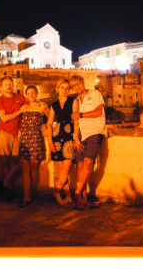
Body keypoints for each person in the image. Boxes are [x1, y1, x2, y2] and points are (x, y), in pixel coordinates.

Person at [71, 75, 105, 210]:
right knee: (80, 166)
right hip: (80, 133)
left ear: (83, 83)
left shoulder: (95, 94)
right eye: (74, 86)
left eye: (78, 84)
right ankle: (82, 199)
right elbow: (75, 120)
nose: (76, 87)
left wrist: (80, 115)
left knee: (88, 162)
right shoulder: (76, 100)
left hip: (95, 131)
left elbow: (98, 112)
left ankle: (77, 191)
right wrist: (76, 138)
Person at [46, 78, 80, 206]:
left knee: (66, 168)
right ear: (57, 89)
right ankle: (68, 197)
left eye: (67, 88)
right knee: (62, 169)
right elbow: (49, 124)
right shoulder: (53, 105)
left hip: (69, 135)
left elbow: (76, 120)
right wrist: (50, 140)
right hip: (57, 136)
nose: (65, 90)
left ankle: (56, 192)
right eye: (62, 88)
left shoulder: (73, 101)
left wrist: (76, 137)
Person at [16, 85, 49, 208]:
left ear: (37, 93)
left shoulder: (42, 106)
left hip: (35, 137)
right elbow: (19, 121)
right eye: (28, 93)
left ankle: (30, 194)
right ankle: (26, 197)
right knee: (25, 167)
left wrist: (45, 124)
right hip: (24, 138)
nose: (31, 95)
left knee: (33, 167)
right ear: (26, 95)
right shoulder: (23, 107)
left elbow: (51, 117)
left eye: (33, 93)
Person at [0, 76, 26, 201]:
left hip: (16, 133)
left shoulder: (20, 98)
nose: (9, 87)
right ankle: (9, 189)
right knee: (5, 163)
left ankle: (3, 184)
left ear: (13, 85)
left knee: (20, 161)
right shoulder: (0, 100)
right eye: (6, 85)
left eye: (10, 84)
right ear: (2, 87)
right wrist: (20, 111)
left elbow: (29, 107)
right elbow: (4, 118)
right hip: (4, 132)